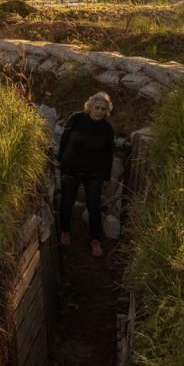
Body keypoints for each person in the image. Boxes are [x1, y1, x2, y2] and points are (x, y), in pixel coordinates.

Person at [57, 92, 114, 258]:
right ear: (90, 107)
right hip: (71, 169)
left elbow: (108, 154)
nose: (99, 111)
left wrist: (106, 177)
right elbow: (64, 140)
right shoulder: (76, 119)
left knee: (94, 207)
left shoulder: (107, 129)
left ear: (106, 111)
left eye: (103, 109)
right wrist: (60, 160)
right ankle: (65, 231)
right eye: (97, 107)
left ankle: (95, 241)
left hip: (94, 173)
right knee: (67, 201)